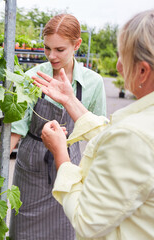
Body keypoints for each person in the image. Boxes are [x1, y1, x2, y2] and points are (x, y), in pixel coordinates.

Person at [35, 9, 154, 239]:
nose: (118, 66)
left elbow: (87, 221)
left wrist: (62, 155)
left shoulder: (133, 137)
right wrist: (70, 100)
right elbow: (109, 131)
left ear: (142, 70)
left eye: (123, 56)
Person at [0, 14, 107, 239]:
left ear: (77, 45)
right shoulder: (32, 77)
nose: (52, 56)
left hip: (68, 164)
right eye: (46, 48)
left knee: (65, 228)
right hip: (31, 166)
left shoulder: (93, 82)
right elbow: (17, 127)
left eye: (60, 49)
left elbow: (98, 135)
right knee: (24, 231)